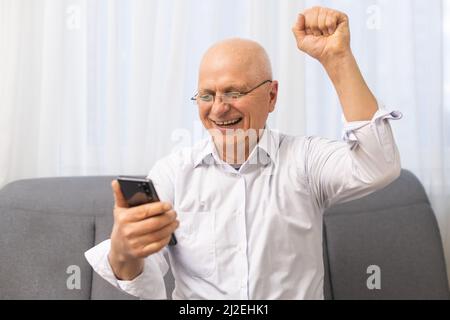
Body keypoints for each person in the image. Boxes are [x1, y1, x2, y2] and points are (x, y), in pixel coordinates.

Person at [85, 6, 402, 299]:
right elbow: (143, 278)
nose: (219, 109)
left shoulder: (305, 161)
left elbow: (378, 166)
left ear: (272, 96)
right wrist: (124, 250)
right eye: (207, 95)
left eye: (234, 93)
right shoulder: (172, 174)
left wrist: (338, 60)